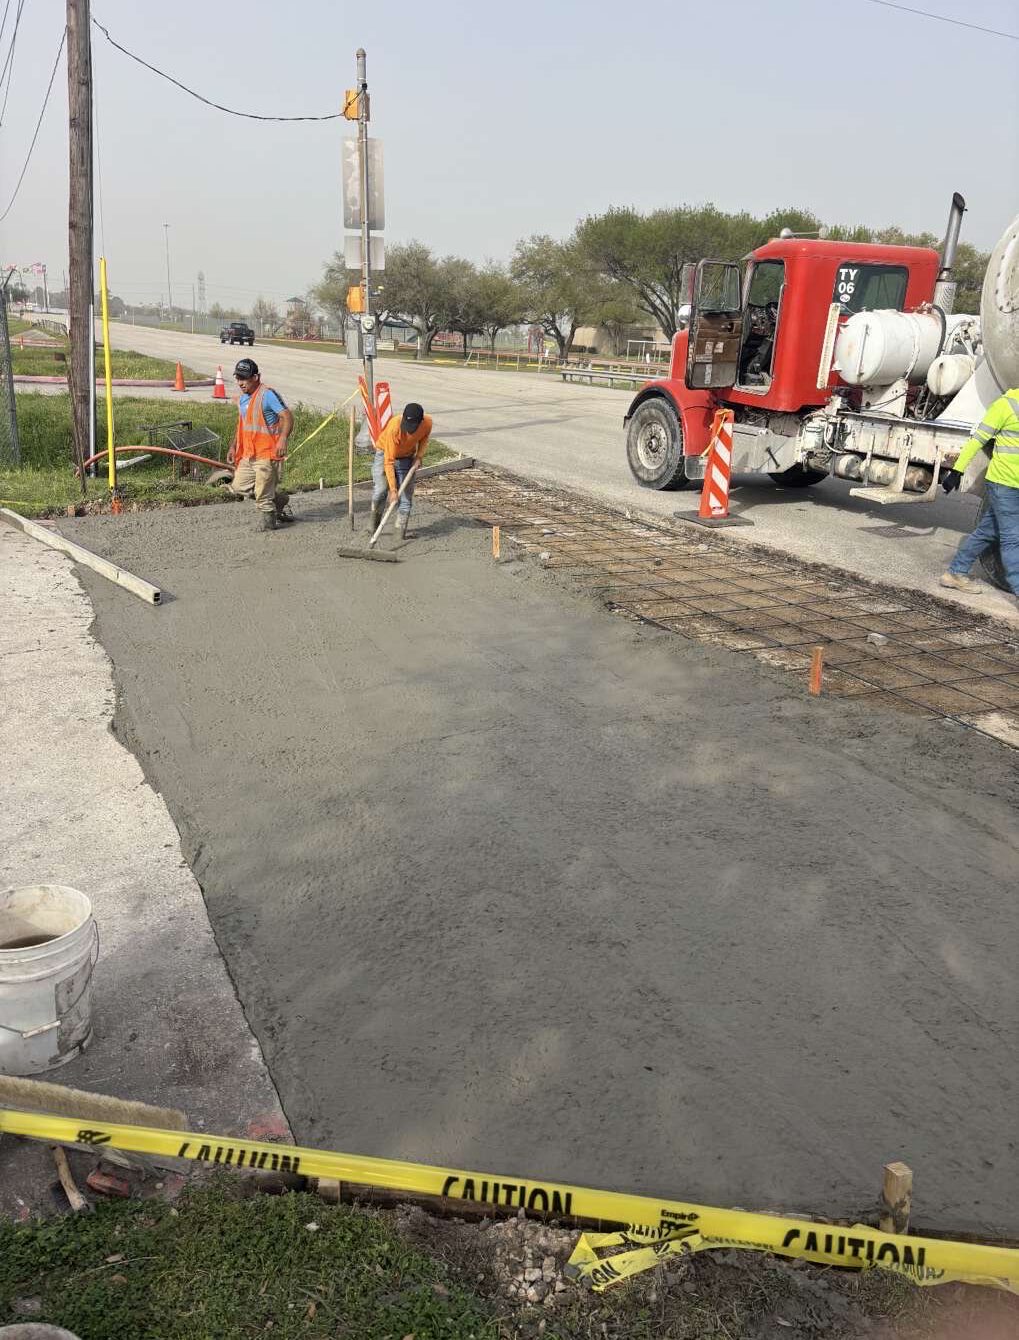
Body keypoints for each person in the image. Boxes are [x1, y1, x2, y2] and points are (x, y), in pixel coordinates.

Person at [940, 387, 1019, 595]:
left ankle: (955, 573)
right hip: (1003, 483)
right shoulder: (1005, 405)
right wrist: (957, 471)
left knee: (988, 531)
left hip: (1015, 486)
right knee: (1013, 538)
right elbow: (978, 440)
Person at [227, 358, 294, 532]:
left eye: (244, 378)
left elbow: (287, 416)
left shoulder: (268, 395)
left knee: (263, 494)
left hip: (267, 454)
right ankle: (279, 500)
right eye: (238, 378)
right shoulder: (243, 399)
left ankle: (268, 523)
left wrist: (283, 438)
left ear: (256, 377)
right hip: (249, 454)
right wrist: (234, 446)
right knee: (238, 488)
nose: (240, 383)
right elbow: (242, 424)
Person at [370, 401, 432, 536]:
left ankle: (399, 534)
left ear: (420, 422)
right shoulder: (394, 427)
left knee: (405, 497)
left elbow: (424, 439)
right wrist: (393, 490)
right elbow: (389, 462)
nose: (408, 429)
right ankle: (373, 527)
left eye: (412, 426)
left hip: (406, 457)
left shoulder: (427, 423)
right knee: (381, 490)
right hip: (384, 454)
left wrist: (419, 457)